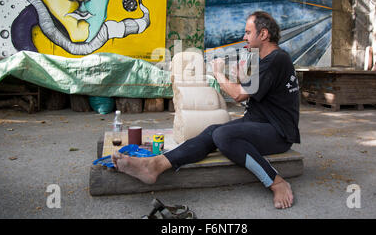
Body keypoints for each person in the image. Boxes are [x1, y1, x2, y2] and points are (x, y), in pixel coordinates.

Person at [112, 11, 300, 209]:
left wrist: (218, 73)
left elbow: (238, 95)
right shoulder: (270, 60)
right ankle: (155, 166)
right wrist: (240, 78)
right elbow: (252, 95)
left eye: (247, 32)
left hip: (278, 132)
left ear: (263, 34)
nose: (244, 37)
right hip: (259, 122)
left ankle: (276, 182)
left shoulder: (276, 60)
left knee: (224, 135)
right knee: (213, 130)